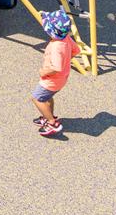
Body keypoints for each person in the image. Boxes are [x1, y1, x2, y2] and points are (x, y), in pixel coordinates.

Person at [32, 8, 80, 138]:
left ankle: (52, 123)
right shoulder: (66, 39)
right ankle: (48, 116)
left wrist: (43, 72)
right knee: (47, 97)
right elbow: (76, 51)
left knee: (37, 98)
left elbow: (56, 67)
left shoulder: (56, 47)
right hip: (61, 79)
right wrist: (66, 60)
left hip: (51, 79)